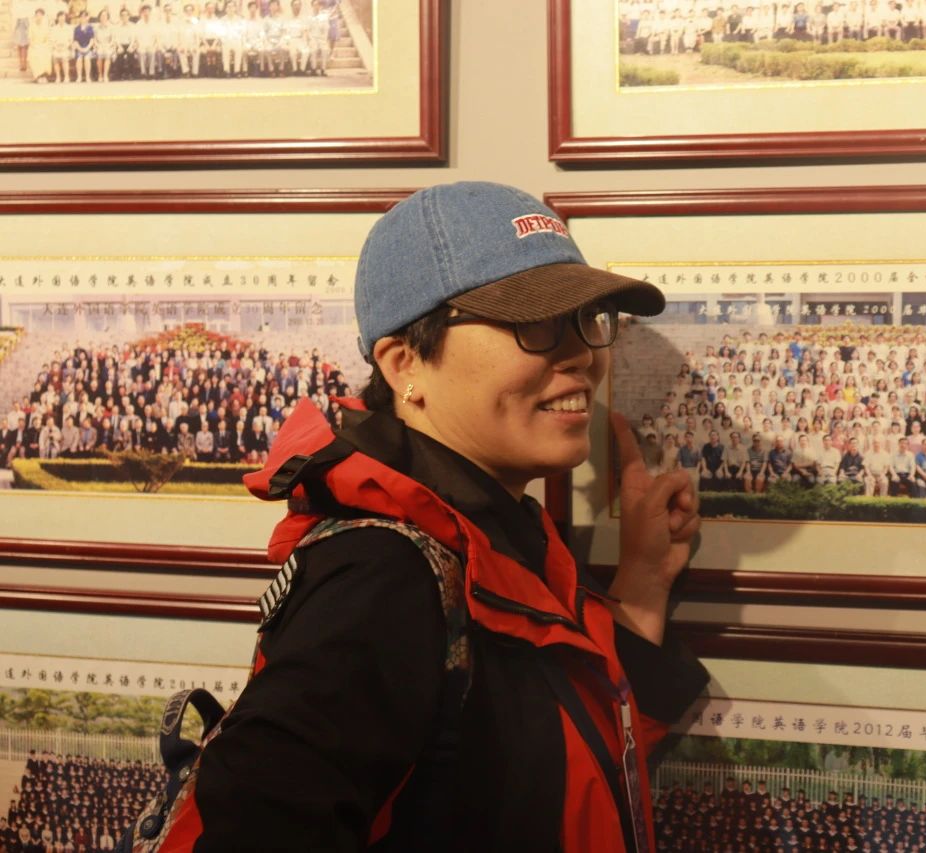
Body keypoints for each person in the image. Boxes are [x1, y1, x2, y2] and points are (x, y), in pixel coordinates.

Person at [140, 183, 709, 851]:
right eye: (534, 323)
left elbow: (570, 758)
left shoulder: (492, 533)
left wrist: (642, 583)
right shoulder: (383, 578)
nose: (582, 353)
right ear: (405, 363)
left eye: (587, 318)